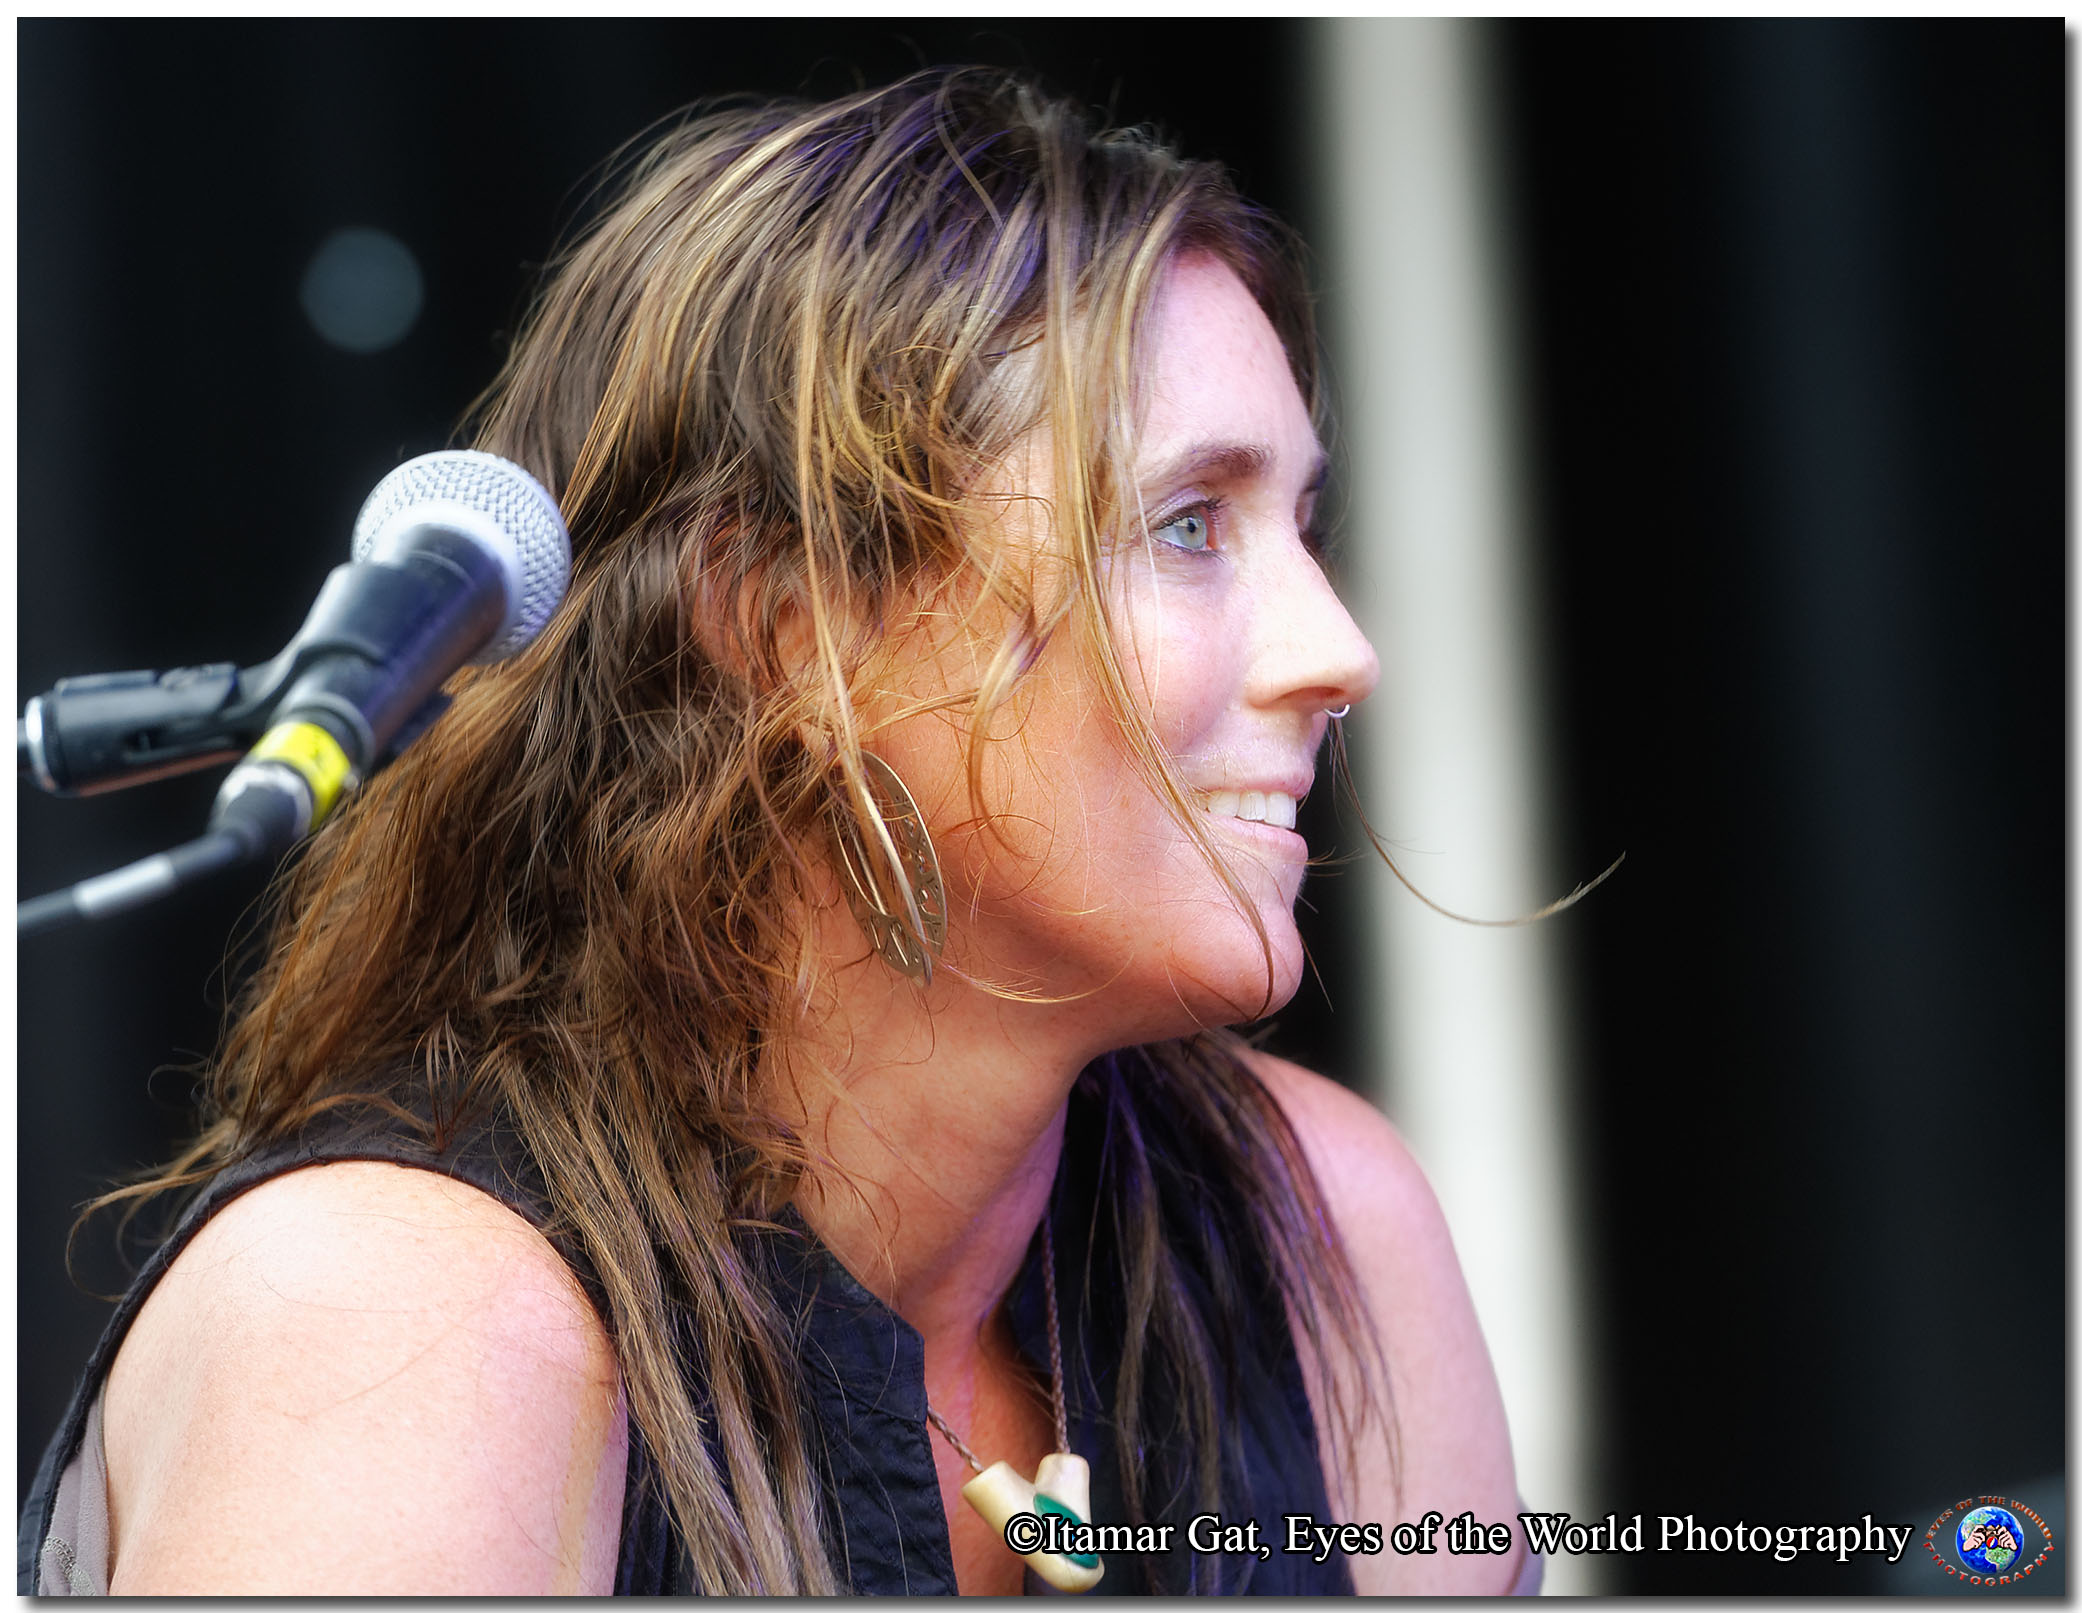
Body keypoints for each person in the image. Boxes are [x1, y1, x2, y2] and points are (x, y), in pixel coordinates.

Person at [21, 68, 1530, 1595]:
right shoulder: (401, 1326)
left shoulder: (1314, 1221)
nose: (1337, 650)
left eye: (1300, 527)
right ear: (788, 629)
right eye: (1186, 525)